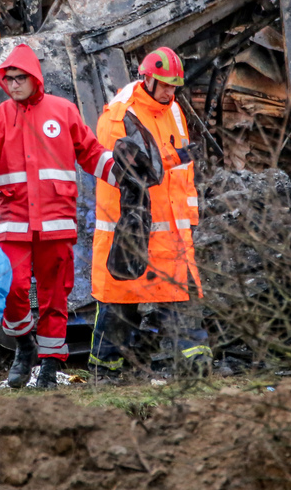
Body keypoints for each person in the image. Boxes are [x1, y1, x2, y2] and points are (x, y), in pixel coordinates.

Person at [0, 44, 116, 389]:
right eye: (10, 78)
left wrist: (124, 172)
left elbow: (91, 154)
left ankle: (49, 365)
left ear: (35, 78)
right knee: (13, 288)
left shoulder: (63, 112)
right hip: (11, 222)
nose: (15, 83)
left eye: (21, 77)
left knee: (55, 297)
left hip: (56, 222)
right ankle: (24, 345)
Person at [89, 47, 211, 381]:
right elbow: (128, 174)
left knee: (180, 296)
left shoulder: (172, 109)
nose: (172, 92)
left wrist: (190, 219)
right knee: (120, 298)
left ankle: (194, 370)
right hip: (132, 227)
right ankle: (106, 372)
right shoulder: (121, 115)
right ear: (148, 78)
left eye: (175, 86)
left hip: (171, 228)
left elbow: (182, 166)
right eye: (166, 85)